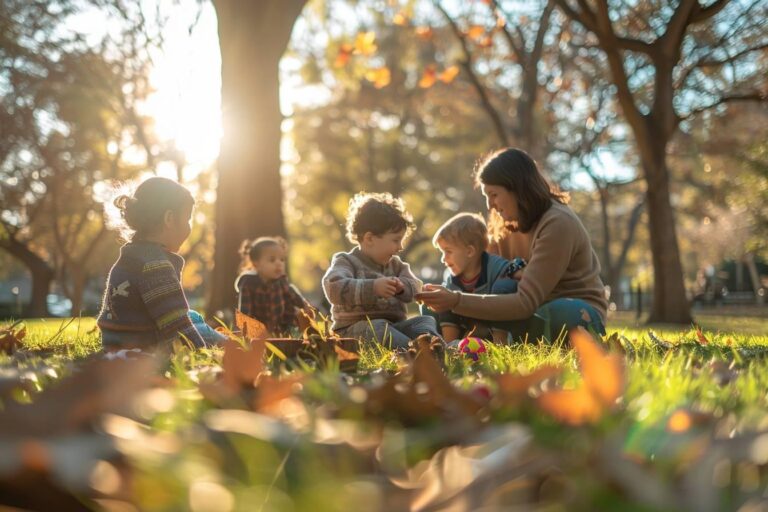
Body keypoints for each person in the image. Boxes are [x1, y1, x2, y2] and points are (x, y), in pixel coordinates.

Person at [417, 148, 607, 342]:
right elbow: (486, 282)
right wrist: (449, 298)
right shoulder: (503, 220)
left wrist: (456, 300)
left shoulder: (557, 223)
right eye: (486, 196)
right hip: (513, 312)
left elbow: (526, 302)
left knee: (561, 314)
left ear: (517, 188)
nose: (490, 205)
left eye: (494, 194)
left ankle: (492, 338)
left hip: (563, 309)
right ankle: (460, 344)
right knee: (431, 306)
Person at [98, 177, 226, 349]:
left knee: (193, 316)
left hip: (118, 339)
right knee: (200, 328)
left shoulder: (133, 254)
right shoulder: (155, 265)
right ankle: (235, 347)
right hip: (143, 344)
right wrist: (200, 351)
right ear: (170, 219)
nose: (189, 227)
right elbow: (177, 326)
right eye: (188, 219)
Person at [322, 192, 440, 349]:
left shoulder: (397, 265)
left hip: (394, 327)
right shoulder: (346, 261)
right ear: (369, 238)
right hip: (352, 333)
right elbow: (334, 288)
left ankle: (437, 348)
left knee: (424, 321)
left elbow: (416, 286)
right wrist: (373, 288)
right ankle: (415, 353)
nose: (401, 247)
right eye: (396, 240)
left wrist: (402, 287)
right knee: (377, 328)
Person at [428, 212, 521, 344]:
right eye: (442, 252)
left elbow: (513, 266)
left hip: (492, 321)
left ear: (470, 251)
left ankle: (500, 342)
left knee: (504, 286)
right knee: (443, 298)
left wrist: (518, 269)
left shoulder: (493, 266)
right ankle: (450, 345)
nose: (443, 258)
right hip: (468, 324)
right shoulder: (452, 278)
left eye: (448, 251)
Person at [235, 237, 313, 335]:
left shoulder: (281, 281)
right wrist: (248, 331)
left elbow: (294, 296)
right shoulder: (248, 283)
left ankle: (293, 341)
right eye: (272, 260)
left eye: (282, 259)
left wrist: (304, 305)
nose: (279, 264)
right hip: (260, 329)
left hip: (283, 326)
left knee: (294, 333)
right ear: (256, 263)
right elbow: (245, 313)